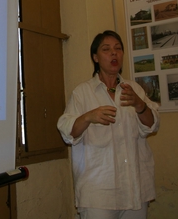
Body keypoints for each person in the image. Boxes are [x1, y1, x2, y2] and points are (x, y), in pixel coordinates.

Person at [57, 30, 160, 219]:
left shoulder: (134, 89)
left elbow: (152, 125)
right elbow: (67, 132)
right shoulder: (83, 92)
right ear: (95, 57)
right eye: (107, 49)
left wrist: (139, 104)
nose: (114, 53)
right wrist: (88, 117)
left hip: (135, 186)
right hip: (99, 193)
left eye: (118, 49)